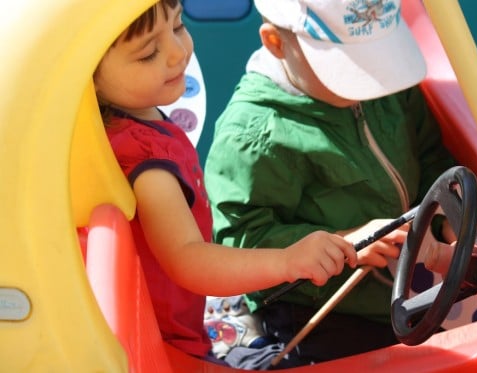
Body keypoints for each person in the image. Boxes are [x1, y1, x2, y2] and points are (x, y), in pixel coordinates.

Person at [93, 0, 392, 365]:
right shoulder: (147, 162)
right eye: (148, 53)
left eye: (177, 26)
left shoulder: (133, 115)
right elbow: (187, 259)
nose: (176, 53)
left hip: (179, 324)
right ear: (88, 72)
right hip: (165, 345)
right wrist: (288, 260)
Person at [204, 0, 456, 368]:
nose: (370, 78)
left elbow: (430, 154)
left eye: (377, 57)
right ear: (276, 43)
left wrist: (447, 219)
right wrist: (343, 242)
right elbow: (239, 242)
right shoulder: (255, 133)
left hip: (411, 288)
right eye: (349, 67)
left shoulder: (388, 86)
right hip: (321, 310)